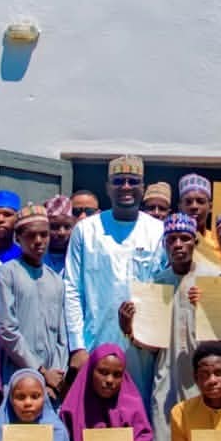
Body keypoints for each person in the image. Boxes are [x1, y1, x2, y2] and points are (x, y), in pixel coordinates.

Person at [121, 213, 215, 441]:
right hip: (167, 376)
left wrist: (208, 306)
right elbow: (151, 344)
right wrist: (130, 330)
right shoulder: (157, 284)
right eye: (172, 239)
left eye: (184, 238)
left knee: (202, 440)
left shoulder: (213, 278)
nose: (178, 245)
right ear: (164, 244)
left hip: (203, 377)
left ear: (195, 242)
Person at [63, 154, 165, 382]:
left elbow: (165, 289)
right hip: (94, 343)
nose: (126, 187)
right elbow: (72, 290)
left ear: (143, 188)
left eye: (133, 181)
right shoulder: (86, 230)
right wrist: (77, 346)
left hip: (143, 347)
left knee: (138, 403)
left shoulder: (158, 231)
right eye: (118, 181)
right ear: (107, 188)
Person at [0, 203, 69, 390]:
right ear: (18, 238)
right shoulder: (6, 273)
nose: (38, 241)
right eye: (31, 235)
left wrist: (56, 375)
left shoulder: (56, 280)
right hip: (16, 375)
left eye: (44, 234)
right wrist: (40, 371)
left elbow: (62, 336)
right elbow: (6, 328)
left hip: (51, 382)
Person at [178, 175, 221, 263]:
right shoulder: (174, 242)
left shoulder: (219, 242)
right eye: (188, 202)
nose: (194, 206)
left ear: (210, 207)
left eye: (200, 201)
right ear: (180, 207)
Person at [44, 195, 77, 274]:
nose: (61, 232)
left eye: (67, 227)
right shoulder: (36, 258)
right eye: (54, 227)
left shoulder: (78, 258)